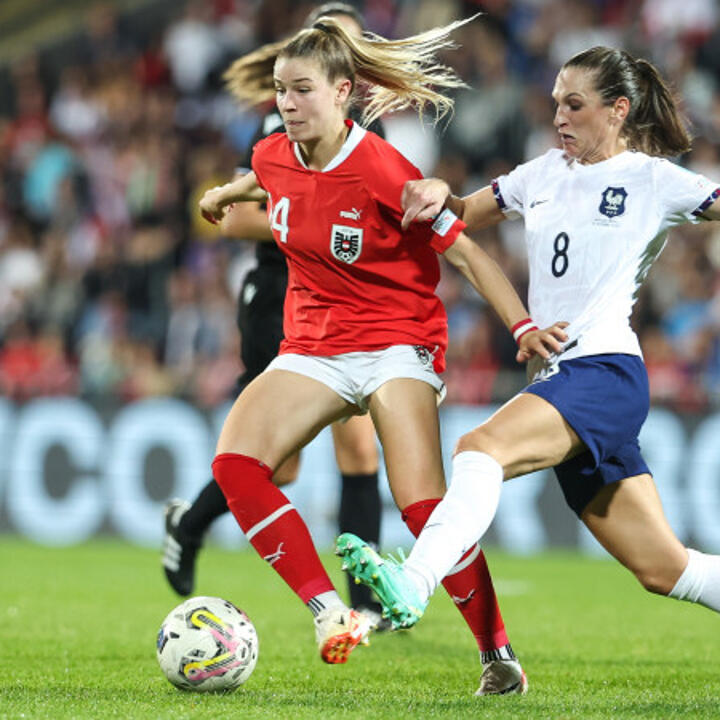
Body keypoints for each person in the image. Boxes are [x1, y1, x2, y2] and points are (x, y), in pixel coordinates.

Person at [197, 13, 566, 691]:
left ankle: (496, 654)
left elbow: (467, 254)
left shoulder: (382, 168)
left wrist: (521, 329)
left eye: (303, 90)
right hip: (314, 343)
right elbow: (265, 177)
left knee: (423, 507)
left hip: (398, 340)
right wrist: (225, 192)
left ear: (343, 92)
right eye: (280, 90)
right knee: (235, 464)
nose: (287, 103)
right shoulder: (274, 151)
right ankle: (327, 610)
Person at [336, 46, 720, 655]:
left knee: (480, 447)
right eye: (555, 104)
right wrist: (438, 189)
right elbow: (460, 214)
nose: (560, 117)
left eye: (575, 104)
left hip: (604, 373)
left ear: (618, 111)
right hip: (560, 381)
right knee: (666, 570)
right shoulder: (540, 173)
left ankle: (412, 582)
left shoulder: (653, 180)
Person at [163, 1, 388, 631]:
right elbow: (233, 217)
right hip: (280, 290)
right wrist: (309, 222)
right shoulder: (277, 123)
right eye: (331, 43)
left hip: (342, 296)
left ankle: (366, 604)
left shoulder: (368, 129)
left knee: (359, 451)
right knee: (278, 463)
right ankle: (191, 520)